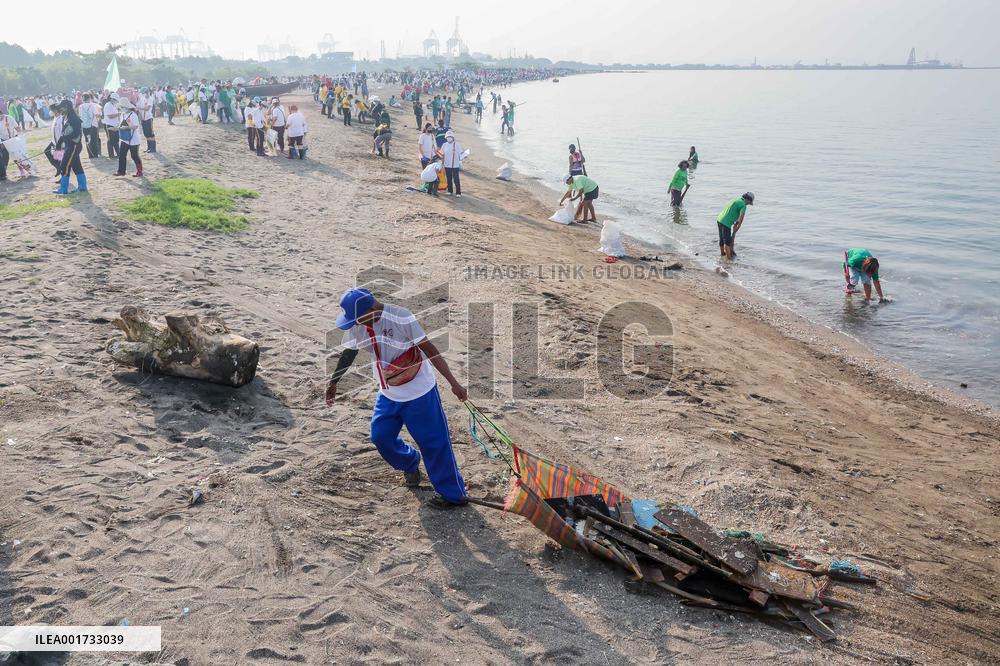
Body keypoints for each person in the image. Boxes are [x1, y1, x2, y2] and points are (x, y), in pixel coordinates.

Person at [325, 288, 468, 506]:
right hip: (389, 391)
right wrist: (334, 381)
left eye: (357, 319)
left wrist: (454, 384)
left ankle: (453, 494)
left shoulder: (401, 317)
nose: (354, 324)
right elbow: (349, 352)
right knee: (380, 436)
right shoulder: (358, 324)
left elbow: (429, 348)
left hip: (419, 391)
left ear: (373, 310)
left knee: (434, 443)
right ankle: (410, 462)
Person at [53, 100, 86, 195]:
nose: (60, 110)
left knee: (65, 165)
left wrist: (66, 138)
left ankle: (63, 189)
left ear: (67, 106)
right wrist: (59, 144)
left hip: (74, 146)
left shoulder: (74, 118)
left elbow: (76, 133)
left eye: (61, 107)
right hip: (69, 145)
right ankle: (82, 187)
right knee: (76, 166)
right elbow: (63, 133)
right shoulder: (65, 117)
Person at [716, 192, 754, 259]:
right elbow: (741, 217)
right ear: (748, 200)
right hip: (726, 223)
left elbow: (730, 211)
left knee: (721, 238)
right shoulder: (743, 205)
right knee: (727, 242)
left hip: (719, 219)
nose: (748, 204)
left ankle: (722, 254)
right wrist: (737, 227)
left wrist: (734, 222)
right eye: (749, 202)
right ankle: (729, 259)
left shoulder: (735, 200)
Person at [114, 99, 143, 178]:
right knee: (122, 155)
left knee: (134, 156)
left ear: (126, 106)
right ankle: (121, 171)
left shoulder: (133, 114)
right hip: (124, 138)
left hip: (134, 139)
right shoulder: (122, 114)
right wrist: (117, 128)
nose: (121, 108)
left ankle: (139, 171)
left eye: (122, 107)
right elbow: (120, 125)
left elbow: (136, 126)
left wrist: (126, 127)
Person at [440, 130, 464, 197]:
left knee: (456, 179)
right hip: (447, 165)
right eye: (448, 137)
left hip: (455, 165)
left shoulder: (457, 145)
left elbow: (461, 153)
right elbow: (442, 154)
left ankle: (458, 192)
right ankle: (450, 191)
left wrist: (464, 155)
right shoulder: (444, 145)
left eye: (450, 136)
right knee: (449, 178)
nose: (449, 138)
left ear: (453, 137)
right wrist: (442, 163)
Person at [78, 93, 101, 158]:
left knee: (87, 140)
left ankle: (90, 155)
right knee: (94, 140)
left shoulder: (80, 106)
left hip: (84, 125)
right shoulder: (92, 106)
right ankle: (95, 154)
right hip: (92, 125)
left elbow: (80, 116)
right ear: (89, 98)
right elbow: (96, 114)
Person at [138, 87, 156, 153]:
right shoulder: (142, 98)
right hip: (143, 118)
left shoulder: (150, 99)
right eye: (143, 93)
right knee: (146, 133)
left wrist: (139, 108)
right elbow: (140, 107)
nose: (144, 94)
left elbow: (147, 108)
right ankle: (149, 147)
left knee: (150, 133)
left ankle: (153, 148)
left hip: (148, 118)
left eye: (145, 93)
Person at [102, 93, 120, 159]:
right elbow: (110, 116)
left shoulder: (113, 105)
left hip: (115, 125)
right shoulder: (108, 105)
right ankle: (111, 155)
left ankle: (118, 153)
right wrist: (118, 114)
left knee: (116, 140)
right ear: (112, 99)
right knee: (111, 140)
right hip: (109, 124)